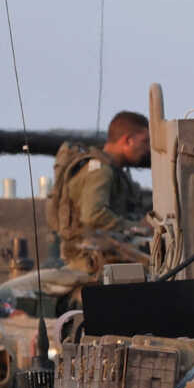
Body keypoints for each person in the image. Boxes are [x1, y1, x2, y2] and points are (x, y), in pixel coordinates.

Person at [49, 110, 153, 271]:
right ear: (128, 140)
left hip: (101, 253)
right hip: (91, 259)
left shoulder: (113, 171)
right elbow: (94, 215)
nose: (147, 149)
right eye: (145, 141)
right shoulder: (101, 170)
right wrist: (135, 227)